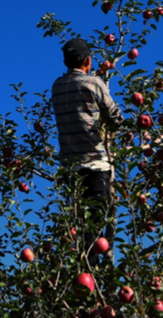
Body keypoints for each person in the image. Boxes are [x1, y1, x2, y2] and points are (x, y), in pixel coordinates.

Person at [51, 38, 124, 264]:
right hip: (95, 167)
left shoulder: (57, 86)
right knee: (93, 232)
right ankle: (91, 287)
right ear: (88, 61)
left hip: (69, 169)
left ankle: (83, 281)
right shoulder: (94, 83)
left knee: (79, 228)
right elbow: (116, 119)